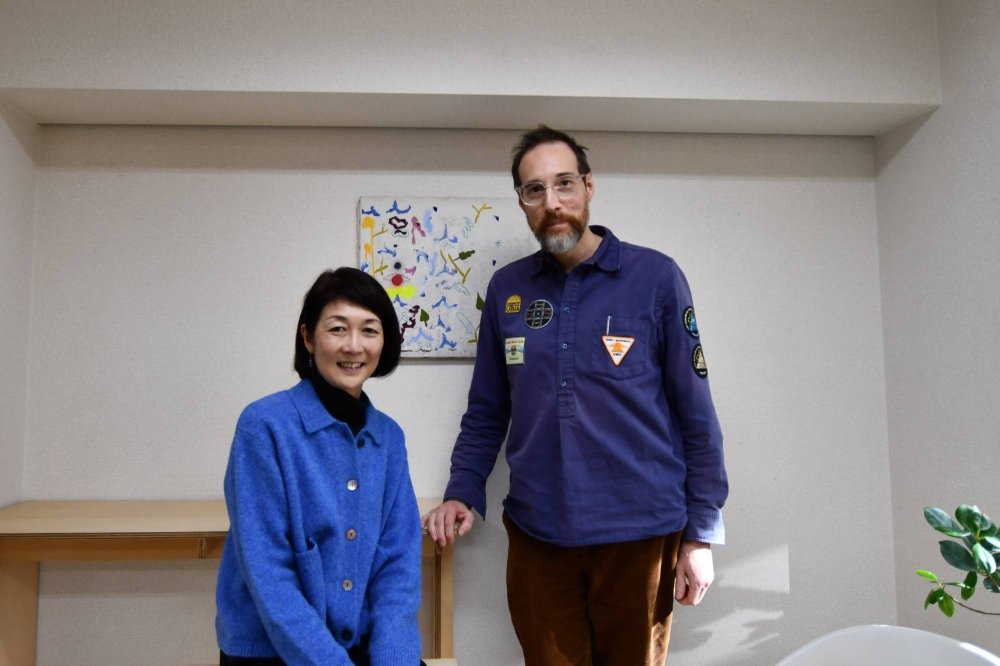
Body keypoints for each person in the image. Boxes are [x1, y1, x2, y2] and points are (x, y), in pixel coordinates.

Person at [422, 126, 729, 665]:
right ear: (522, 201)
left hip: (641, 534)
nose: (552, 202)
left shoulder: (656, 277)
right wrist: (461, 491)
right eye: (534, 190)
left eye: (564, 183)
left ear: (589, 186)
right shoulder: (507, 290)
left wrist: (700, 533)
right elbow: (488, 409)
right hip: (538, 535)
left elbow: (695, 412)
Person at [216, 267, 424, 666]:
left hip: (358, 645)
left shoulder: (389, 438)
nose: (353, 346)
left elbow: (398, 569)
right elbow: (269, 575)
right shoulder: (264, 426)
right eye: (338, 329)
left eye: (369, 330)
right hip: (271, 649)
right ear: (309, 338)